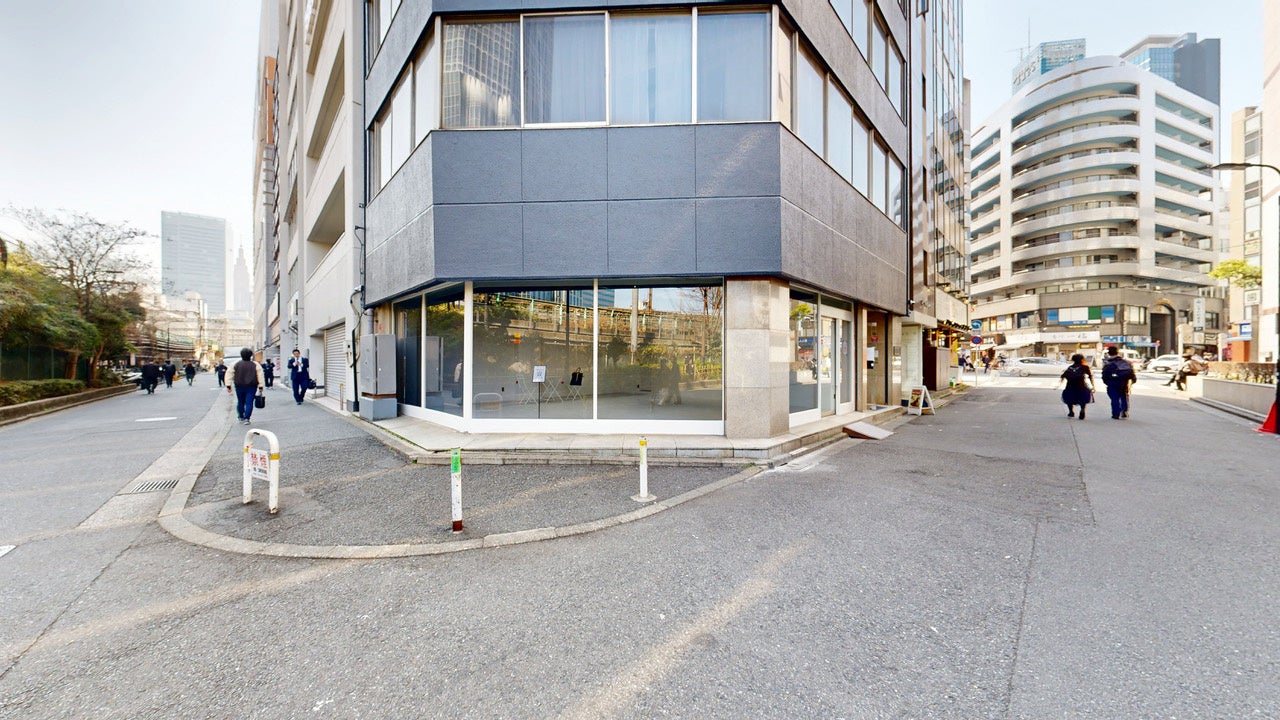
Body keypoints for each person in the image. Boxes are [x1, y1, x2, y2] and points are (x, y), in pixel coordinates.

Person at [228, 347, 266, 425]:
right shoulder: (255, 364)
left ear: (241, 355)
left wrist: (228, 385)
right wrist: (261, 386)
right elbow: (260, 376)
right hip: (252, 386)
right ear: (250, 355)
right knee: (249, 402)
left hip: (239, 386)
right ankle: (247, 418)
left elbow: (229, 374)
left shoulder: (235, 364)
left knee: (240, 401)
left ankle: (240, 416)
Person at [1101, 346, 1137, 419]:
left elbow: (1104, 375)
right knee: (1123, 396)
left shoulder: (1108, 363)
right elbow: (1132, 373)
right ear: (1117, 353)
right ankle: (1124, 410)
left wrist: (1106, 382)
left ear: (1109, 353)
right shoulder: (1125, 362)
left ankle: (1116, 413)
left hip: (1112, 383)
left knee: (1114, 398)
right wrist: (1133, 380)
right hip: (1123, 382)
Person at [1058, 353, 1094, 420]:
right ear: (1082, 359)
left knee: (1069, 399)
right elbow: (1090, 376)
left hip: (1070, 386)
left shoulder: (1070, 367)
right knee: (1083, 399)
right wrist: (1093, 385)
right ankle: (1082, 409)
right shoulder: (1084, 367)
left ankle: (1071, 412)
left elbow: (1063, 376)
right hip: (1081, 386)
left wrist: (1059, 384)